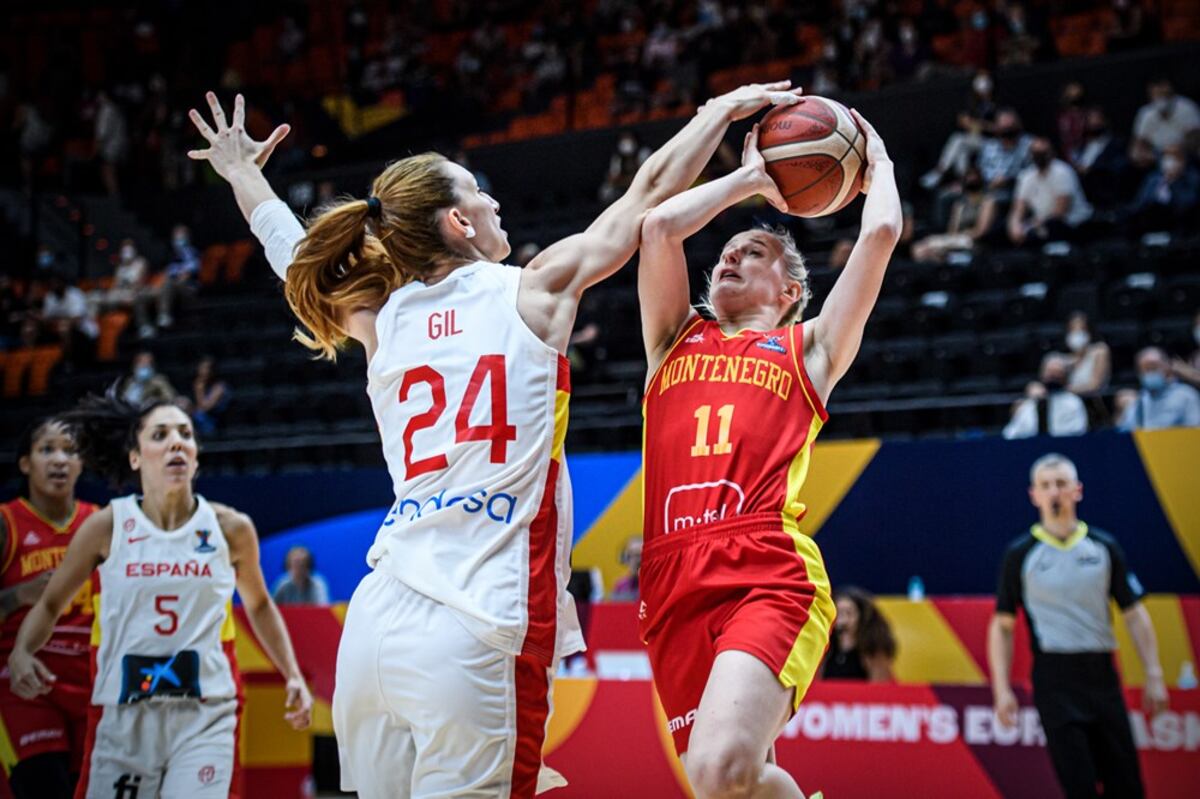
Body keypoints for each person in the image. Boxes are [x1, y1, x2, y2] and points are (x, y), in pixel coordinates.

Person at [187, 82, 803, 798]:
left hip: (377, 624)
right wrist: (717, 119)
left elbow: (293, 255)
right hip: (476, 624)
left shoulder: (380, 317)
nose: (495, 201)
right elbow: (646, 197)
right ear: (459, 221)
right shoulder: (532, 292)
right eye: (480, 193)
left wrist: (243, 174)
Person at [635, 111, 901, 798]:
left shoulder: (808, 348)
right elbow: (659, 227)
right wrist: (748, 178)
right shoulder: (672, 340)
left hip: (764, 568)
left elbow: (879, 232)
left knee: (719, 766)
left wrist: (877, 160)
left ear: (789, 293)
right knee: (727, 783)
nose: (729, 254)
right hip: (671, 579)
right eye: (726, 250)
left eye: (753, 251)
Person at [7, 394, 312, 798]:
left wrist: (292, 674)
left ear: (197, 456)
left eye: (185, 434)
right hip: (123, 714)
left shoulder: (230, 528)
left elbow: (258, 604)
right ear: (135, 457)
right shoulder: (107, 526)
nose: (176, 442)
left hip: (206, 711)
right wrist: (23, 650)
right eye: (160, 434)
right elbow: (50, 602)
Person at [988, 453, 1167, 799]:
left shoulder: (1102, 547)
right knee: (1078, 785)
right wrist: (1001, 689)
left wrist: (1154, 674)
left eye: (1061, 484)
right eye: (1046, 485)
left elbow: (1134, 614)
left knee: (1126, 784)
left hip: (1101, 673)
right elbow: (1003, 625)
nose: (1054, 492)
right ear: (1034, 495)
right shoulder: (1021, 554)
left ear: (1077, 490)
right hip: (1055, 678)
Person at [0, 419, 98, 799]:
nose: (59, 460)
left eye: (70, 451)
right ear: (26, 463)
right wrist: (16, 597)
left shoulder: (101, 522)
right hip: (23, 686)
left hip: (91, 685)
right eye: (47, 450)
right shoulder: (7, 523)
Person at [1007, 138, 1092, 246]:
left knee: (1050, 227)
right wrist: (1015, 227)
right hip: (1041, 224)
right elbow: (1017, 210)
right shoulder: (1026, 176)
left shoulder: (1062, 171)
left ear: (1051, 153)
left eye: (1043, 152)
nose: (1039, 156)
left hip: (1071, 223)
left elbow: (1060, 211)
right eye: (1036, 153)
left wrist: (1033, 226)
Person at [911, 164, 996, 263]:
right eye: (969, 176)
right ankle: (947, 262)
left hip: (973, 241)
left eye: (974, 176)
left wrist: (963, 235)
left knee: (930, 249)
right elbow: (952, 230)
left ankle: (950, 259)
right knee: (918, 249)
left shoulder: (987, 201)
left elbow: (980, 231)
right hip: (956, 240)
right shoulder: (960, 203)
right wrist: (953, 239)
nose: (971, 179)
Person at [1002, 356, 1089, 439]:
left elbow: (1079, 432)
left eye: (1057, 373)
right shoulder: (1030, 404)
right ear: (1042, 374)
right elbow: (1010, 434)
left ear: (1065, 377)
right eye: (1050, 373)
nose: (1053, 377)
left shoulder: (1073, 402)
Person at [821, 587, 896, 682]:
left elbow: (879, 687)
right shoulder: (826, 648)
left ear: (862, 617)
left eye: (848, 613)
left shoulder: (874, 650)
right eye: (838, 613)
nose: (842, 620)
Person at [1118, 346, 1200, 430]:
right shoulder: (1139, 400)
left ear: (1167, 367)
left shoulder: (1187, 395)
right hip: (1145, 442)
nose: (1150, 372)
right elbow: (1124, 432)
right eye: (1145, 369)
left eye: (1153, 367)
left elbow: (1195, 431)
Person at [1130, 77, 1200, 158]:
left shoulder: (1187, 107)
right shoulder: (1146, 114)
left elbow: (1196, 138)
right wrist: (1144, 154)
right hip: (1158, 156)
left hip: (1186, 155)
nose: (1161, 98)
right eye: (1157, 95)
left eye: (1164, 94)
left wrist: (1180, 148)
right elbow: (1138, 143)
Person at [1060, 312, 1111, 394]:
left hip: (1093, 399)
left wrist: (1066, 391)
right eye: (1073, 329)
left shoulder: (1100, 350)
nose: (1077, 334)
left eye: (1081, 329)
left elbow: (1095, 385)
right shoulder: (1064, 357)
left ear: (1089, 330)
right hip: (1071, 399)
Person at [609, 535, 642, 601]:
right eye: (633, 555)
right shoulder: (620, 586)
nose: (637, 560)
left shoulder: (656, 585)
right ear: (625, 558)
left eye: (640, 555)